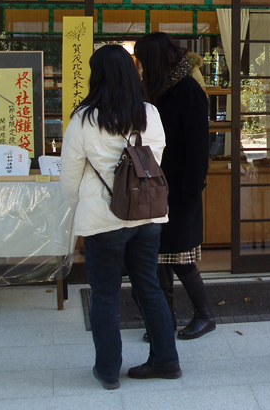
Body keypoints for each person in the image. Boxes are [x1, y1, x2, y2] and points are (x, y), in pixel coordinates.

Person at [60, 44, 181, 389]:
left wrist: (80, 204)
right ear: (132, 73)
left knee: (104, 294)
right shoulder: (149, 113)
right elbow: (155, 158)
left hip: (103, 218)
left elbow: (70, 176)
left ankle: (109, 369)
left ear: (96, 75)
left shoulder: (85, 118)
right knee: (150, 287)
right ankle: (166, 360)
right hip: (146, 216)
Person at [134, 33, 214, 340]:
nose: (140, 66)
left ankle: (204, 315)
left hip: (181, 189)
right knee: (157, 256)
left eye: (142, 59)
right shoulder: (154, 88)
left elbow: (199, 147)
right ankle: (165, 319)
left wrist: (192, 190)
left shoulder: (187, 90)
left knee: (181, 257)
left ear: (154, 59)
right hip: (154, 186)